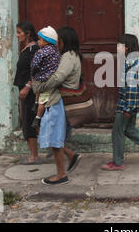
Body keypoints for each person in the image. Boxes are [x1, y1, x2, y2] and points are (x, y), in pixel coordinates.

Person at [100, 34, 139, 171]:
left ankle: (118, 163)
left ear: (126, 48)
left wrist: (128, 109)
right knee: (128, 129)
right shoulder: (132, 61)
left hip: (127, 104)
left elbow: (132, 88)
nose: (116, 47)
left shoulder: (131, 63)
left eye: (119, 45)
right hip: (130, 103)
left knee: (117, 131)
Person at [32, 27, 85, 185]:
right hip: (56, 100)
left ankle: (61, 175)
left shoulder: (68, 57)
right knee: (52, 137)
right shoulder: (70, 55)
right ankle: (70, 156)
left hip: (57, 102)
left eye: (58, 41)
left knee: (54, 139)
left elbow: (57, 78)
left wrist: (38, 86)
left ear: (63, 41)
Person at [13, 21, 41, 164]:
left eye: (19, 32)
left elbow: (35, 71)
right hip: (25, 91)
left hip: (29, 92)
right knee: (27, 121)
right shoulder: (28, 49)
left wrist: (27, 87)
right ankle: (34, 154)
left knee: (29, 122)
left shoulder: (33, 49)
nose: (17, 35)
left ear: (28, 33)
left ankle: (34, 156)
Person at [30, 26, 61, 129]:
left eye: (40, 39)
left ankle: (37, 117)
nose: (38, 42)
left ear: (46, 41)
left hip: (41, 79)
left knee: (40, 98)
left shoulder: (41, 52)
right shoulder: (56, 51)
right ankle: (37, 111)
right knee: (44, 98)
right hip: (51, 79)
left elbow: (34, 65)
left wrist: (33, 73)